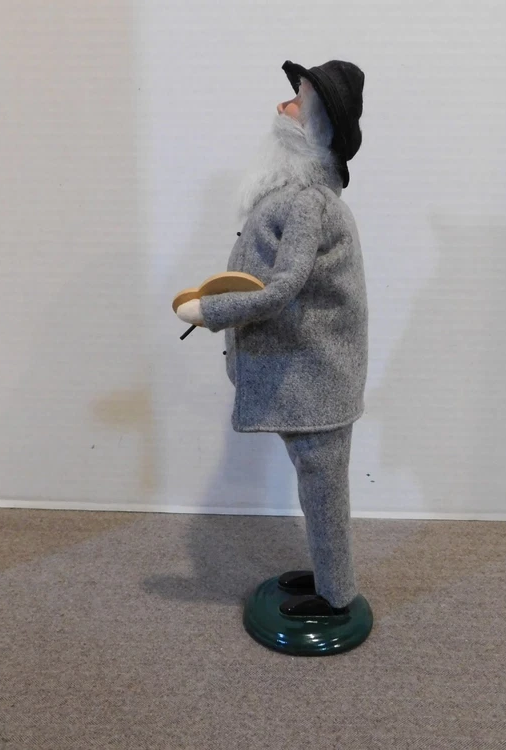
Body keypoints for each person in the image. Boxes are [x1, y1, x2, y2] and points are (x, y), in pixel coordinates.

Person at [176, 60, 367, 616]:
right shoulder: (297, 195)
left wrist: (209, 310)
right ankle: (330, 577)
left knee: (323, 489)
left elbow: (282, 289)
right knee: (318, 485)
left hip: (315, 378)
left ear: (317, 126)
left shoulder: (307, 203)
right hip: (307, 375)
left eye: (297, 100)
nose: (282, 106)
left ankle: (337, 597)